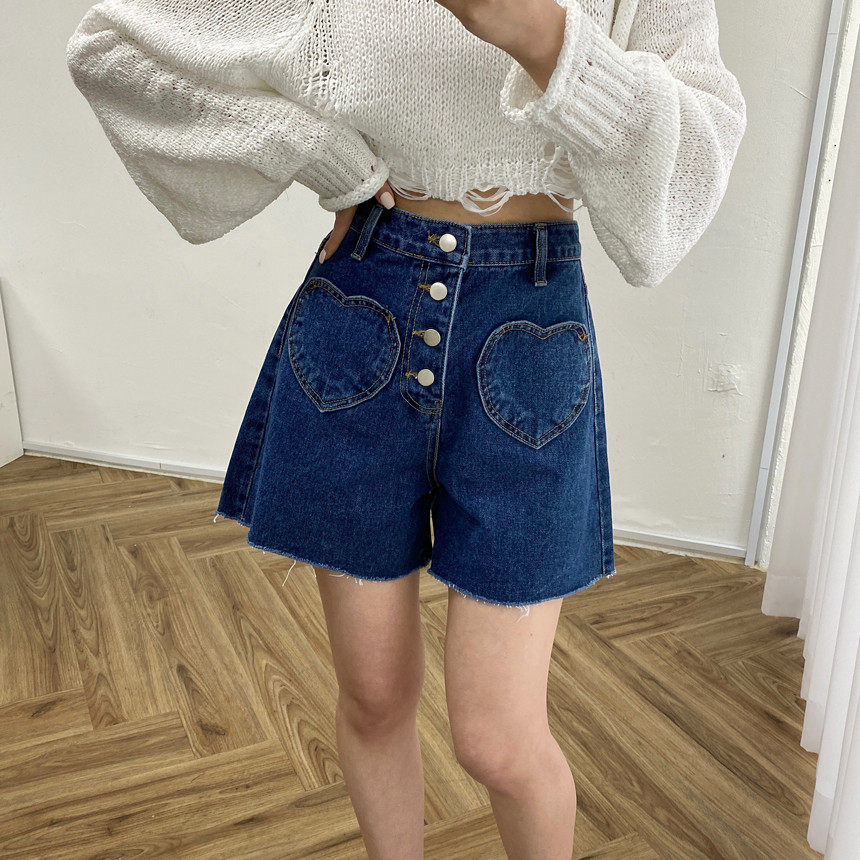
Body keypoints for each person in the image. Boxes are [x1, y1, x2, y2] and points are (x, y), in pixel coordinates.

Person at [66, 1, 747, 856]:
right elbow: (111, 48)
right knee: (374, 697)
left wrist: (547, 38)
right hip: (365, 304)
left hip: (530, 335)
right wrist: (314, 151)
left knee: (498, 741)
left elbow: (682, 190)